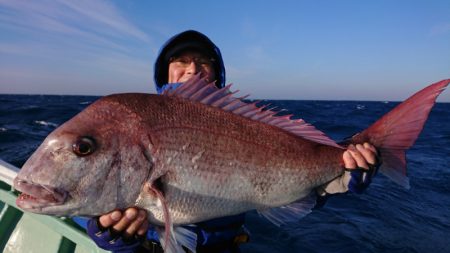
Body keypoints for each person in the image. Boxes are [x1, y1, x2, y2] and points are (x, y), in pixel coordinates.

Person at [83, 30, 380, 253]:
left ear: (217, 75)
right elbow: (101, 196)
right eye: (181, 61)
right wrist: (109, 233)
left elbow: (292, 181)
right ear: (165, 72)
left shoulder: (243, 122)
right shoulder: (136, 125)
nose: (193, 69)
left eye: (203, 62)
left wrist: (342, 173)